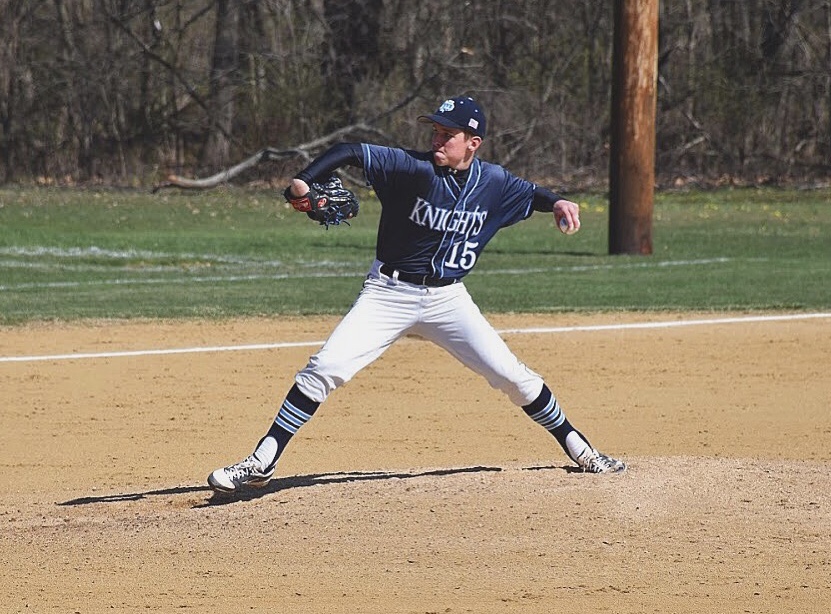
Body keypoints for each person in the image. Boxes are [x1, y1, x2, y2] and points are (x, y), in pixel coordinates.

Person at [208, 95, 625, 494]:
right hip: (388, 293)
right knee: (324, 368)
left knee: (513, 377)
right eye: (436, 131)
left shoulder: (493, 182)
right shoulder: (410, 168)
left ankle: (581, 449)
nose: (438, 139)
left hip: (449, 300)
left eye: (449, 134)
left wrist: (558, 202)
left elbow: (531, 193)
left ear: (472, 144)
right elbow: (350, 150)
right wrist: (304, 182)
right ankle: (261, 462)